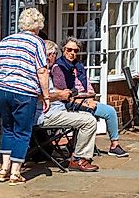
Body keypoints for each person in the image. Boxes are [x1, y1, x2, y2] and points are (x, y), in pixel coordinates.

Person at [0, 7, 50, 185]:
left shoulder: (6, 41)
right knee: (22, 131)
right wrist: (46, 95)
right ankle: (15, 173)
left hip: (1, 90)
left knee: (8, 128)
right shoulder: (37, 43)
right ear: (37, 26)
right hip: (24, 92)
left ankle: (4, 169)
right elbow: (42, 71)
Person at [52, 37, 129, 157]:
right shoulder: (58, 68)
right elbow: (63, 94)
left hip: (84, 100)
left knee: (110, 111)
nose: (72, 53)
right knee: (89, 116)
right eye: (69, 50)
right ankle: (77, 147)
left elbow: (87, 86)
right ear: (63, 49)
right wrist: (84, 103)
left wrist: (90, 98)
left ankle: (114, 145)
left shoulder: (79, 66)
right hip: (69, 103)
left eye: (75, 51)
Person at [38, 41, 99, 172]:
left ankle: (77, 153)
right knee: (88, 121)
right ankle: (78, 159)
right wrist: (60, 95)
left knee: (88, 116)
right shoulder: (39, 73)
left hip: (58, 110)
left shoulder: (49, 71)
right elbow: (37, 96)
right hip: (45, 115)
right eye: (49, 54)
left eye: (54, 54)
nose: (52, 57)